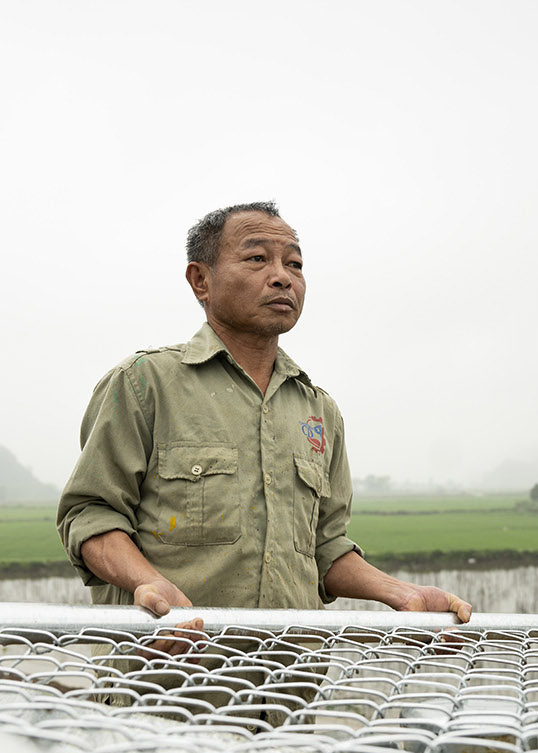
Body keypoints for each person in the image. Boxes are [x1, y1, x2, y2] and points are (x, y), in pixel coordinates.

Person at [56, 201, 471, 625]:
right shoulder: (145, 383)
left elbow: (325, 547)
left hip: (289, 681)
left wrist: (402, 593)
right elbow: (91, 513)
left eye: (294, 264)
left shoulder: (318, 410)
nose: (282, 277)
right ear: (201, 280)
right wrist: (148, 583)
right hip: (167, 674)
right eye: (257, 258)